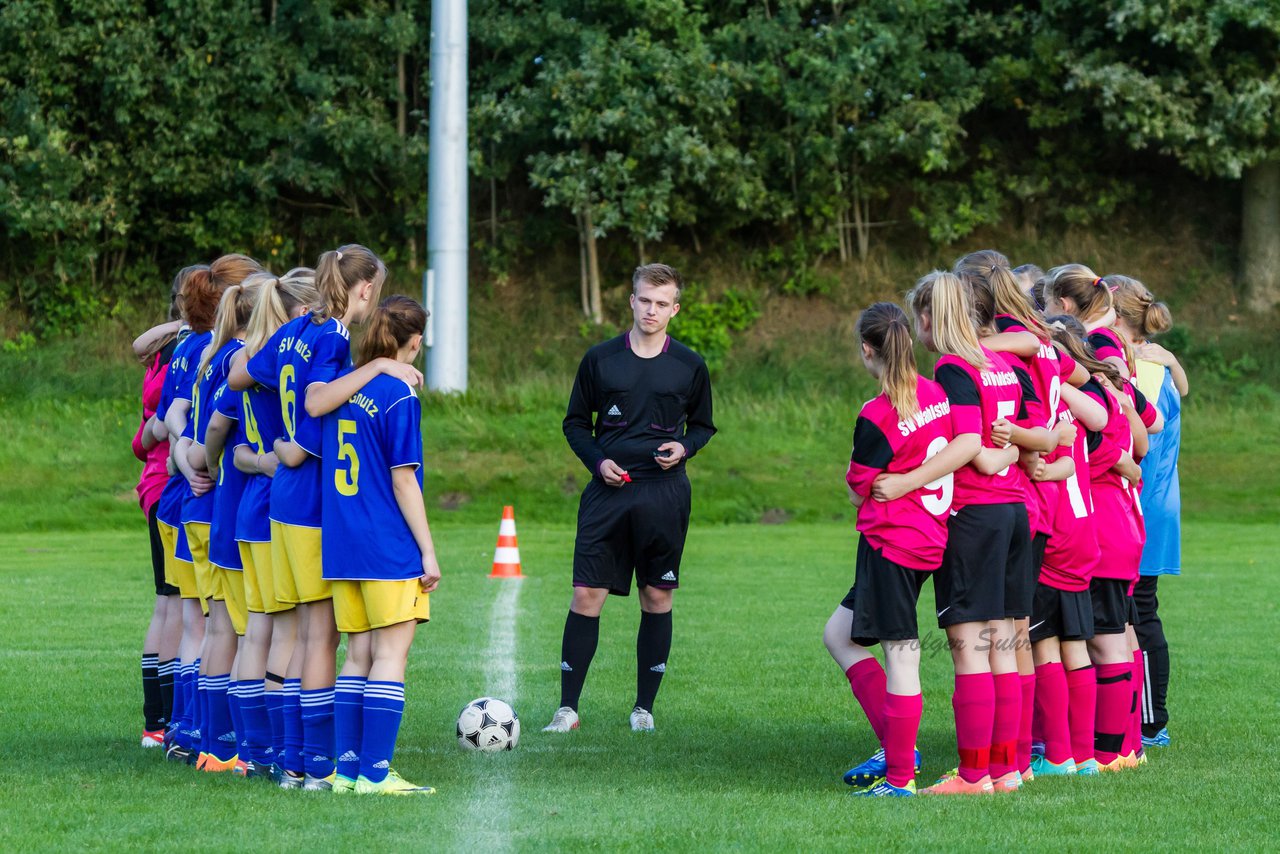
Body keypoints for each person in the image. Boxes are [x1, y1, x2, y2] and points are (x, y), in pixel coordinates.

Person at [230, 244, 416, 790]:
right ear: (364, 290)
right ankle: (313, 766)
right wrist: (381, 365)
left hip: (280, 502)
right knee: (319, 639)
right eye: (375, 290)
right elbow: (316, 402)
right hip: (311, 499)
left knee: (293, 633)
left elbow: (242, 374)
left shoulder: (293, 330)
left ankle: (290, 761)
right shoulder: (333, 335)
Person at [545, 263, 716, 734]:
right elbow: (575, 423)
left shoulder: (689, 364)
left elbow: (702, 426)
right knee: (586, 593)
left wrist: (685, 447)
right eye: (645, 300)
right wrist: (598, 463)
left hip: (665, 495)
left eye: (662, 304)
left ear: (675, 309)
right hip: (608, 493)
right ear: (632, 301)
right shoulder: (600, 359)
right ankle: (567, 710)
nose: (652, 310)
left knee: (657, 595)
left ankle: (644, 709)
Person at [875, 271, 1023, 795]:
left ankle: (974, 774)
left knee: (969, 648)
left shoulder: (955, 367)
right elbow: (1015, 442)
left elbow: (970, 448)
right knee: (1003, 645)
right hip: (1014, 513)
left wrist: (907, 482)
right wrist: (1005, 453)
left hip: (976, 517)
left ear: (932, 316)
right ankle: (1007, 770)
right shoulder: (1001, 363)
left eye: (921, 317)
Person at [824, 302, 959, 798]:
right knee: (839, 634)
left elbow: (859, 490)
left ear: (867, 350)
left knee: (902, 656)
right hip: (929, 536)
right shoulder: (937, 393)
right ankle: (896, 746)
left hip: (893, 543)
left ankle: (900, 777)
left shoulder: (877, 413)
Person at [321, 295, 440, 795]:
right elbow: (403, 481)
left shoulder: (346, 385)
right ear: (415, 341)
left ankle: (347, 770)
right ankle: (375, 774)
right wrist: (428, 552)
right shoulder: (397, 393)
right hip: (385, 544)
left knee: (358, 654)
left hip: (342, 542)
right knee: (391, 655)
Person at [1108, 275, 1186, 748]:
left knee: (1140, 612)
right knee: (1133, 612)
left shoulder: (1144, 371)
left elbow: (1141, 447)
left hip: (1144, 505)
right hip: (1154, 502)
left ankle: (1152, 722)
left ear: (1116, 318)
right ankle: (1139, 717)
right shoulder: (1154, 363)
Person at [131, 282, 185, 747]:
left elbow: (144, 436)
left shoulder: (168, 354)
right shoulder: (181, 353)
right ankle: (164, 723)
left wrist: (148, 436)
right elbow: (157, 427)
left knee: (169, 604)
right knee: (181, 606)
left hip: (160, 487)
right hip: (174, 488)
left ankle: (158, 723)